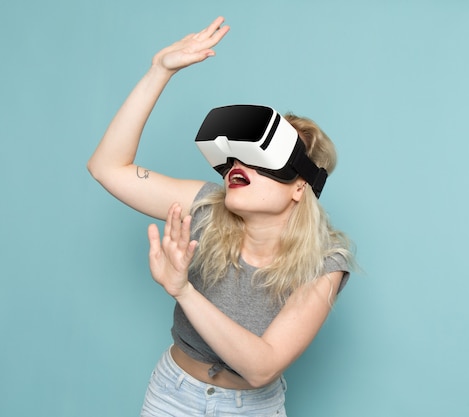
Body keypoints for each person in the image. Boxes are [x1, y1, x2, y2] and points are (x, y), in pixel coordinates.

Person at [88, 16, 355, 417]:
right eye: (235, 156)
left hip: (253, 408)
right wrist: (160, 70)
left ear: (300, 187)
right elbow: (108, 167)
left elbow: (262, 367)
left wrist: (183, 290)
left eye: (261, 158)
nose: (237, 164)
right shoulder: (206, 206)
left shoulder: (325, 262)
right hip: (172, 396)